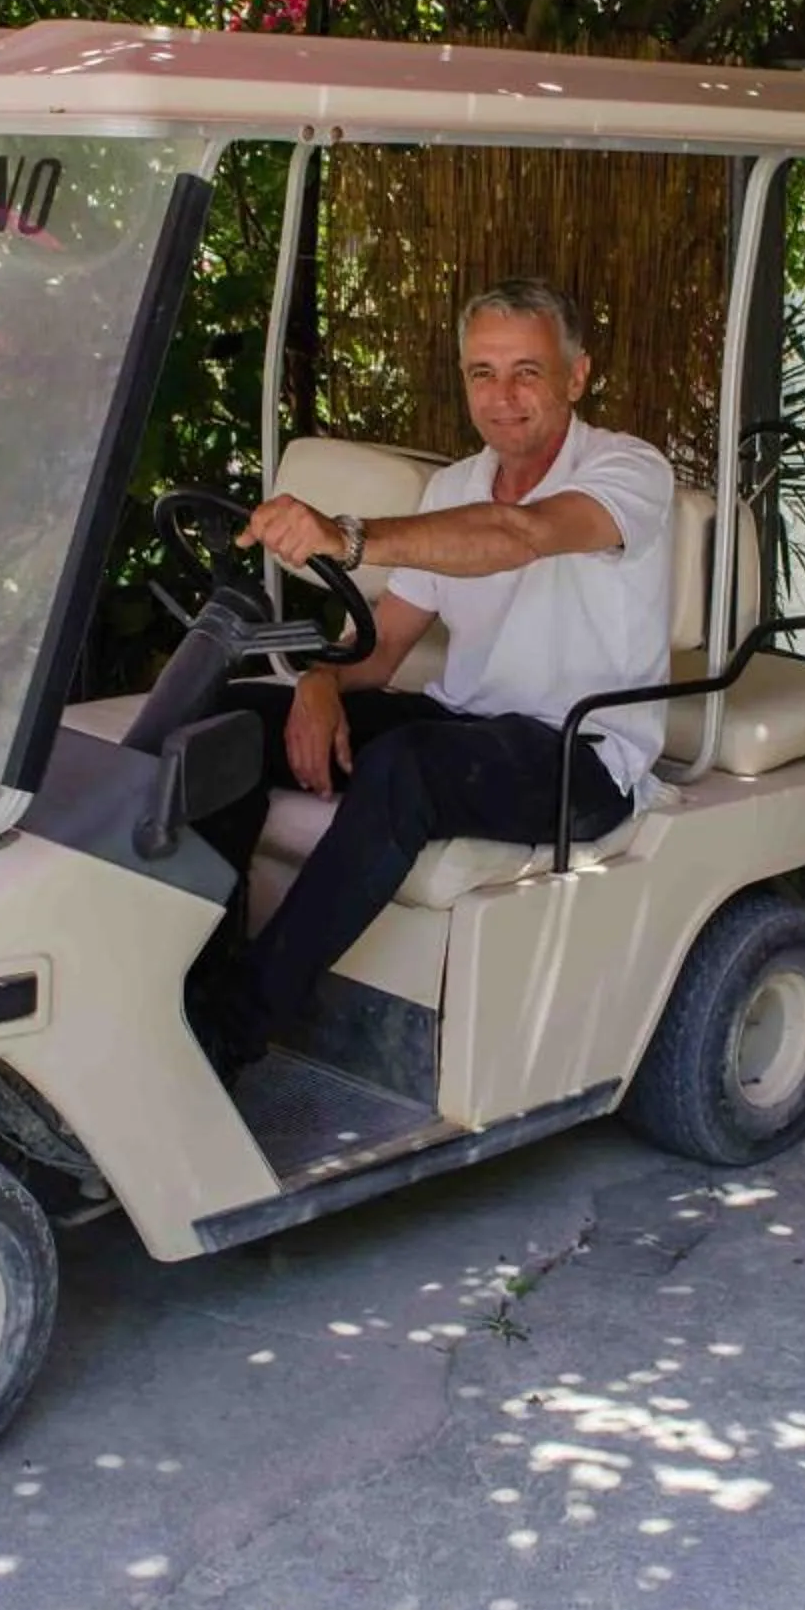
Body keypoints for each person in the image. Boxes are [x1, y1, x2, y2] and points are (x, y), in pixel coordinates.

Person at [190, 277, 677, 1075]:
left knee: (403, 764)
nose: (504, 396)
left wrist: (345, 537)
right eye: (483, 373)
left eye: (528, 371)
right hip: (472, 728)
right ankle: (188, 977)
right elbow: (379, 648)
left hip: (582, 753)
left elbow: (518, 536)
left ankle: (236, 1025)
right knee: (234, 716)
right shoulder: (452, 487)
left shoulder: (629, 471)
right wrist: (316, 684)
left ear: (577, 377)